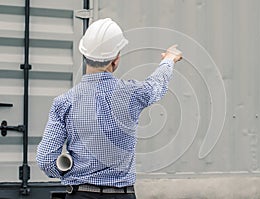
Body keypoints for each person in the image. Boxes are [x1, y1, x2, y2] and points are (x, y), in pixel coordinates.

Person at [36, 18, 182, 199]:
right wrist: (169, 60)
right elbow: (156, 84)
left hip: (80, 194)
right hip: (121, 195)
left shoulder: (64, 102)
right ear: (115, 60)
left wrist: (77, 173)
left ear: (84, 55)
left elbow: (45, 160)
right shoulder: (132, 94)